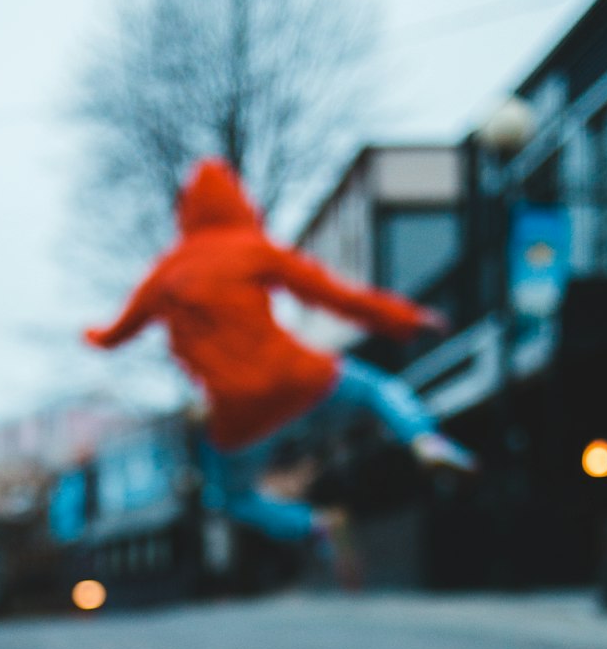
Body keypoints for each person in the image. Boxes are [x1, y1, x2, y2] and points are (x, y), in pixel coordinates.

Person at [83, 158, 477, 557]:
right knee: (379, 390)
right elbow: (338, 296)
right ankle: (426, 440)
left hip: (241, 415)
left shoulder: (164, 274)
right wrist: (408, 318)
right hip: (299, 379)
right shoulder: (253, 250)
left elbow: (117, 333)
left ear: (186, 213)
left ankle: (314, 525)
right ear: (239, 202)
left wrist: (92, 335)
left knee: (230, 497)